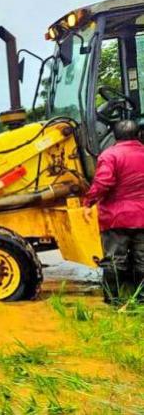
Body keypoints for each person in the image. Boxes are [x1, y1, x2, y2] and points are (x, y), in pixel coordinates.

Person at [82, 120, 144, 303]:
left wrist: (88, 202)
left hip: (116, 217)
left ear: (115, 136)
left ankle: (113, 300)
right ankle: (141, 300)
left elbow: (103, 183)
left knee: (115, 260)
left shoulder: (110, 155)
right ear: (138, 134)